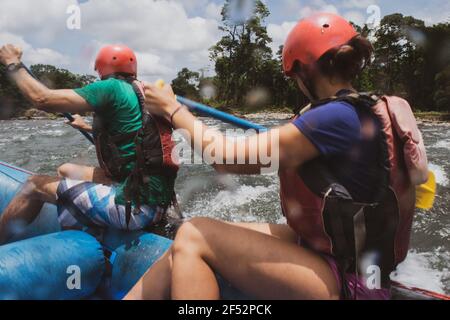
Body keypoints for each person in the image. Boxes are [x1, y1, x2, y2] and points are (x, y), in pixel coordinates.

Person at [124, 13, 428, 300]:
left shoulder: (335, 117)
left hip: (350, 283)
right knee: (187, 236)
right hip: (342, 257)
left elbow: (225, 158)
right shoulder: (358, 110)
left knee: (193, 233)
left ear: (303, 71)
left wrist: (173, 110)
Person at [0, 44, 178, 244]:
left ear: (100, 68)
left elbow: (42, 99)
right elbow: (134, 137)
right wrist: (86, 127)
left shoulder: (109, 87)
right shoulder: (142, 91)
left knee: (33, 185)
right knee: (65, 169)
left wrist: (12, 63)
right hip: (156, 201)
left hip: (134, 210)